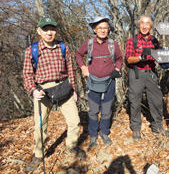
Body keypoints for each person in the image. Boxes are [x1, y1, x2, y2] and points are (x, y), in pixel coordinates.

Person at [22, 17, 85, 171]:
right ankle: (39, 154)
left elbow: (70, 70)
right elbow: (27, 74)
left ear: (56, 30)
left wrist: (74, 90)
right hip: (42, 91)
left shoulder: (64, 47)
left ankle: (71, 147)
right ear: (39, 31)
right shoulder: (32, 50)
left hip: (64, 88)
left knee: (75, 121)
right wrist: (33, 90)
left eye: (52, 29)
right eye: (45, 29)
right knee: (40, 125)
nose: (49, 33)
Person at [76, 16, 123, 148]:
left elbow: (119, 58)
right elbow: (78, 55)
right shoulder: (89, 44)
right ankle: (93, 136)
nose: (102, 30)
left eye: (105, 28)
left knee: (107, 111)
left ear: (109, 29)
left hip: (109, 82)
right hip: (92, 82)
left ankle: (104, 133)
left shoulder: (113, 44)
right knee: (93, 111)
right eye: (99, 28)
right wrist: (83, 67)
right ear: (94, 29)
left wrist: (117, 68)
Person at [125, 15, 169, 141]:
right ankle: (136, 128)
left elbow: (159, 57)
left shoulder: (154, 41)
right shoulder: (132, 40)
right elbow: (129, 59)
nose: (144, 26)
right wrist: (141, 57)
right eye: (142, 23)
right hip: (136, 73)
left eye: (147, 23)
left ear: (151, 26)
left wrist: (167, 60)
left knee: (156, 100)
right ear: (139, 25)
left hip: (151, 73)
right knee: (135, 101)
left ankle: (158, 126)